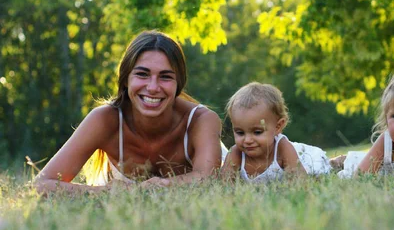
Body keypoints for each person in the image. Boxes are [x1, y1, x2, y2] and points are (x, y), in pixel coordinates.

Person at [34, 30, 226, 193]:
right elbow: (43, 183)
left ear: (179, 84)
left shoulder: (201, 120)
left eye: (165, 77)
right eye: (142, 74)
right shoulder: (104, 119)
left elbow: (207, 180)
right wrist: (104, 193)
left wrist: (162, 185)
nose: (152, 87)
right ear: (125, 79)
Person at [220, 82, 331, 183]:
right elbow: (224, 185)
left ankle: (337, 162)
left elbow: (300, 182)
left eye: (257, 132)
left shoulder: (282, 148)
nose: (247, 140)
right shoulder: (236, 153)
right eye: (240, 132)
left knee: (318, 171)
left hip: (304, 158)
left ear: (278, 126)